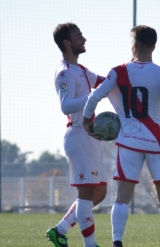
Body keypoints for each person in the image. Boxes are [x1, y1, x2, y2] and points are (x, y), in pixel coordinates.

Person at [82, 25, 160, 247]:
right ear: (154, 46)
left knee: (123, 195)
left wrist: (87, 122)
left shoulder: (118, 71)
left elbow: (94, 97)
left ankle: (117, 242)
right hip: (157, 142)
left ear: (134, 46)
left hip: (129, 142)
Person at [46, 22, 107, 247]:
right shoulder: (65, 72)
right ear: (67, 43)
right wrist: (94, 97)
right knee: (86, 194)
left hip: (90, 137)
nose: (84, 39)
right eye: (79, 36)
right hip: (78, 135)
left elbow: (102, 82)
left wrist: (124, 74)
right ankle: (90, 244)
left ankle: (60, 230)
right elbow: (66, 105)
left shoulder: (81, 70)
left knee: (99, 192)